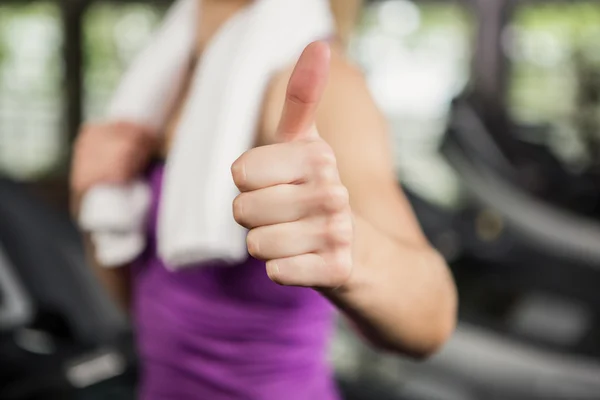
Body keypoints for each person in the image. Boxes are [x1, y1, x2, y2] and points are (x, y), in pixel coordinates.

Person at [70, 0, 457, 398]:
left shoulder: (324, 84)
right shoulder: (163, 79)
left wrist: (351, 247)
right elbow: (145, 305)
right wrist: (90, 197)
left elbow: (432, 319)